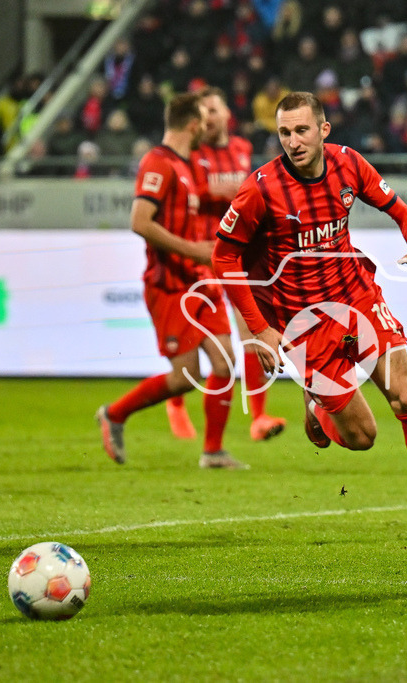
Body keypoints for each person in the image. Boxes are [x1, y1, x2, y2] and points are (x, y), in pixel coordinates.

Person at [211, 91, 407, 541]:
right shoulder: (261, 188)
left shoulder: (349, 164)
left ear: (323, 130)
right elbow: (224, 257)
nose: (293, 141)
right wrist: (261, 329)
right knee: (362, 438)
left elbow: (403, 211)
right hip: (303, 324)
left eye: (302, 130)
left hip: (358, 299)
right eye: (285, 133)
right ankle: (317, 405)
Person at [97, 92, 246, 471]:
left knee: (226, 359)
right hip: (169, 283)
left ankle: (213, 451)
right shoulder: (158, 162)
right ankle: (114, 414)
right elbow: (140, 222)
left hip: (199, 278)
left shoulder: (187, 164)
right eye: (204, 121)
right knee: (184, 378)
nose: (208, 128)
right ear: (193, 124)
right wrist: (192, 249)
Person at [164, 87, 287, 443]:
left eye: (214, 110)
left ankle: (259, 417)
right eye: (204, 113)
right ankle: (175, 399)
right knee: (191, 345)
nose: (209, 118)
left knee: (254, 332)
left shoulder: (242, 150)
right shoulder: (190, 154)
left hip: (237, 256)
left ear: (227, 114)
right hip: (199, 257)